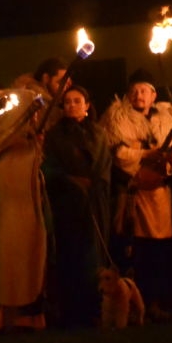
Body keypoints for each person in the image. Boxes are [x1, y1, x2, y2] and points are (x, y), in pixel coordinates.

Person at [101, 68, 172, 322]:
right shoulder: (117, 120)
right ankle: (134, 304)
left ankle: (157, 302)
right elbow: (119, 155)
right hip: (135, 196)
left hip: (161, 196)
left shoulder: (165, 120)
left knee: (161, 250)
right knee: (137, 249)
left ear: (154, 95)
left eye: (144, 90)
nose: (138, 95)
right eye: (134, 90)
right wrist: (146, 154)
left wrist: (165, 161)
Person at [0, 79, 51, 332]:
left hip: (28, 203)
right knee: (4, 255)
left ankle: (30, 314)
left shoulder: (31, 138)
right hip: (4, 202)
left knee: (32, 254)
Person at [42, 85, 112, 328]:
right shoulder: (54, 135)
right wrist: (71, 180)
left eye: (77, 101)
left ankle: (94, 310)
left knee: (94, 256)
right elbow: (49, 167)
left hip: (93, 203)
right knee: (70, 255)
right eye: (67, 101)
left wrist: (92, 185)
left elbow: (104, 165)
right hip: (66, 205)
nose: (71, 105)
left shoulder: (99, 134)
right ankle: (71, 312)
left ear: (87, 105)